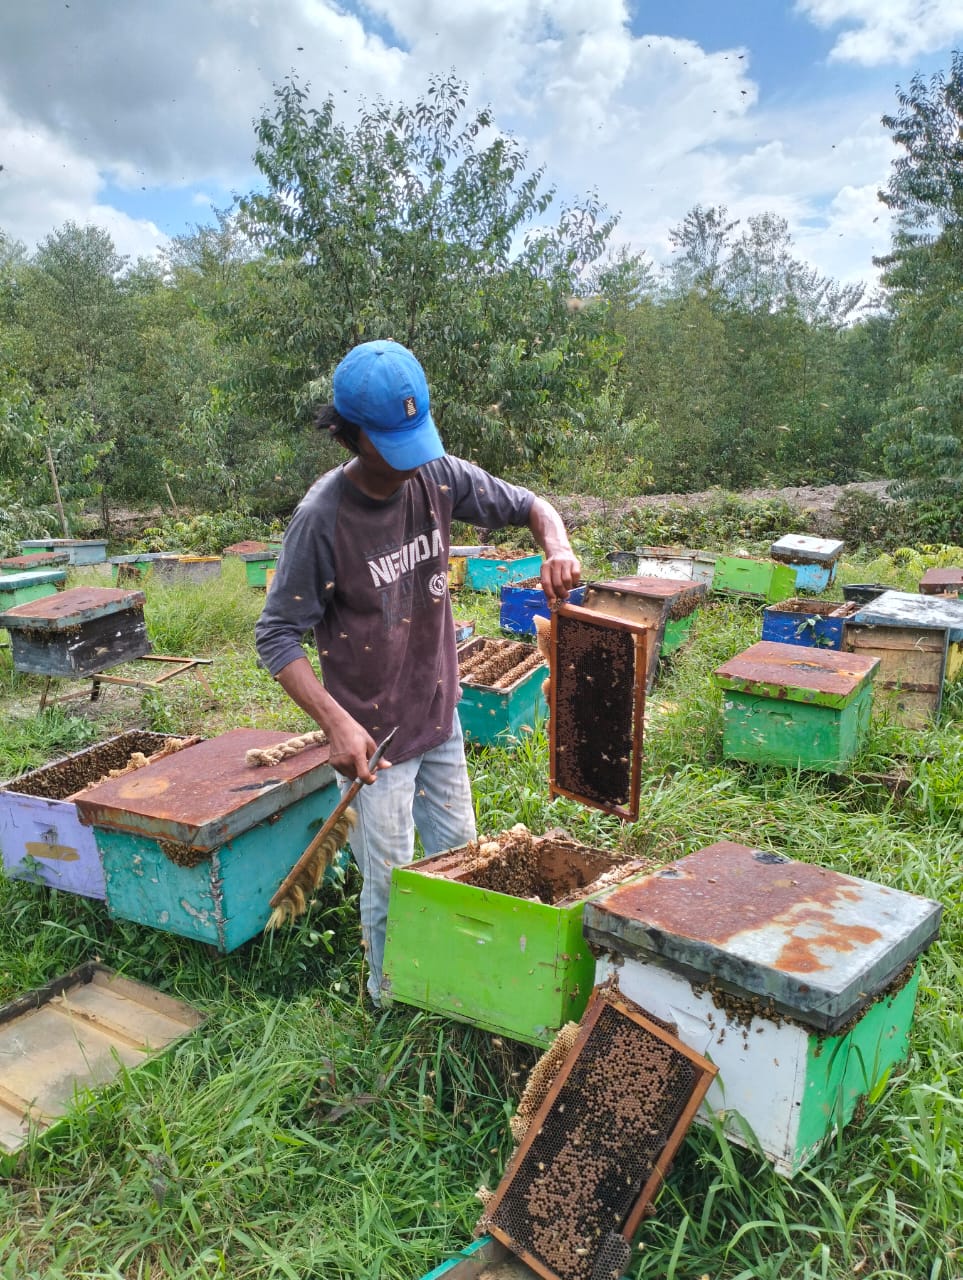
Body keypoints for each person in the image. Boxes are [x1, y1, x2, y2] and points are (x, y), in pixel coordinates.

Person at [255, 339, 580, 1004]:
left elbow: (531, 506)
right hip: (374, 742)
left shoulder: (436, 475)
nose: (408, 456)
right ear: (352, 435)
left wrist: (557, 545)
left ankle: (455, 982)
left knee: (463, 857)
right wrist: (336, 725)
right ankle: (390, 1001)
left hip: (439, 719)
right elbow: (276, 634)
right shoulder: (322, 519)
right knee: (392, 881)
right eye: (390, 441)